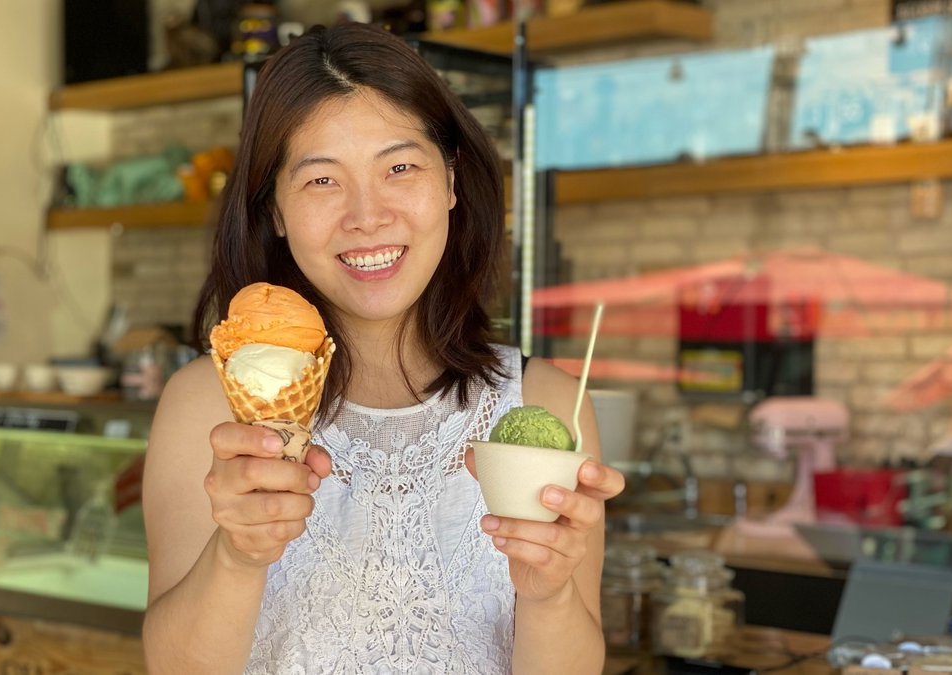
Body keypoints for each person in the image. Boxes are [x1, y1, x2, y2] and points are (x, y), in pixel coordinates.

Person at [142, 22, 625, 674]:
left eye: (399, 167)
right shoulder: (207, 405)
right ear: (276, 210)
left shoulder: (546, 405)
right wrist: (238, 554)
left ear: (451, 182)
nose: (366, 216)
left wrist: (549, 593)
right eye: (321, 180)